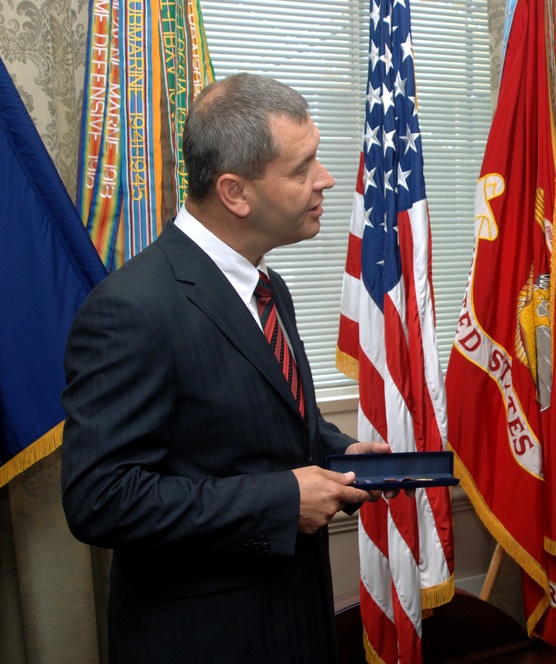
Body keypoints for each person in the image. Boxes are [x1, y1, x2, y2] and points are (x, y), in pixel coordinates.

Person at [61, 73, 389, 664]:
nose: (326, 179)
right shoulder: (131, 309)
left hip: (294, 621)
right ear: (235, 193)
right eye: (302, 168)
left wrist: (339, 454)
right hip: (206, 640)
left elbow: (258, 423)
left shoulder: (267, 286)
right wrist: (280, 501)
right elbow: (100, 498)